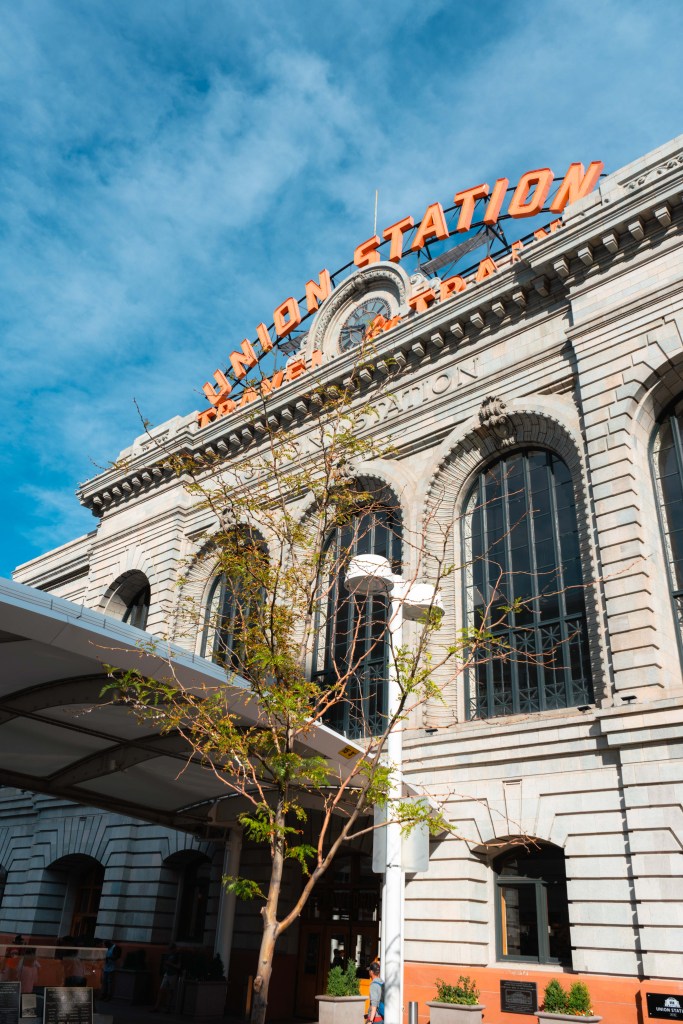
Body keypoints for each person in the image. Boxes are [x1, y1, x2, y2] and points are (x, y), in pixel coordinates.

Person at [152, 943, 182, 1013]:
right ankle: (157, 1007)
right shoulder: (169, 955)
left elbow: (178, 966)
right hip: (167, 973)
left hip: (173, 974)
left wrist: (170, 964)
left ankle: (168, 1007)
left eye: (171, 949)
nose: (170, 950)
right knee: (161, 990)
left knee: (170, 991)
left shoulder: (177, 955)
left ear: (174, 949)